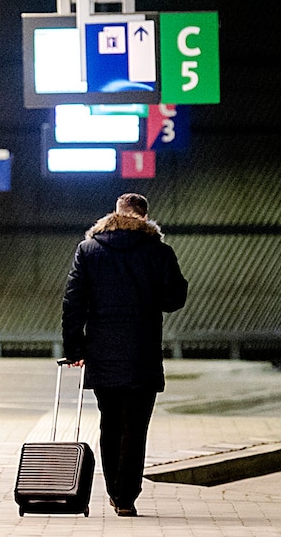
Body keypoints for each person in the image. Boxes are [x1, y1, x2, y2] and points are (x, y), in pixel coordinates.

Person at [62, 192, 188, 517]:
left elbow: (73, 302)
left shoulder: (88, 251)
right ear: (144, 217)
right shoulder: (158, 251)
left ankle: (114, 489)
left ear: (115, 213)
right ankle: (126, 497)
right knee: (136, 427)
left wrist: (75, 348)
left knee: (110, 423)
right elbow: (174, 298)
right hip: (142, 352)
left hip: (102, 352)